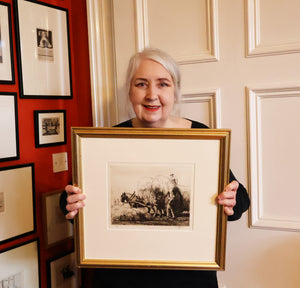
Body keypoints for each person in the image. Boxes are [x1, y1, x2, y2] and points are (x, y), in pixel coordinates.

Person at [60, 48, 250, 288]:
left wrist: (232, 200)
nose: (152, 94)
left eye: (163, 84)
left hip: (189, 278)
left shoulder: (201, 138)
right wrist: (70, 203)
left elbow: (242, 200)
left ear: (175, 91)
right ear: (129, 91)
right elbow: (70, 201)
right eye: (141, 84)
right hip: (120, 278)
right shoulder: (105, 141)